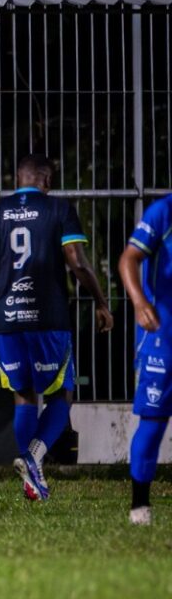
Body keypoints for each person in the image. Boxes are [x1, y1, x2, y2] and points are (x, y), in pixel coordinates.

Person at [0, 154, 113, 501]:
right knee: (62, 393)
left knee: (23, 395)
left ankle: (32, 480)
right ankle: (34, 456)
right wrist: (101, 301)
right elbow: (77, 261)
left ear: (18, 179)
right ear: (46, 180)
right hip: (48, 317)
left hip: (6, 320)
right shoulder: (58, 210)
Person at [119, 194, 172, 524]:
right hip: (161, 337)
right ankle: (140, 506)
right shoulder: (163, 211)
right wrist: (140, 302)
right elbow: (129, 259)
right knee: (153, 421)